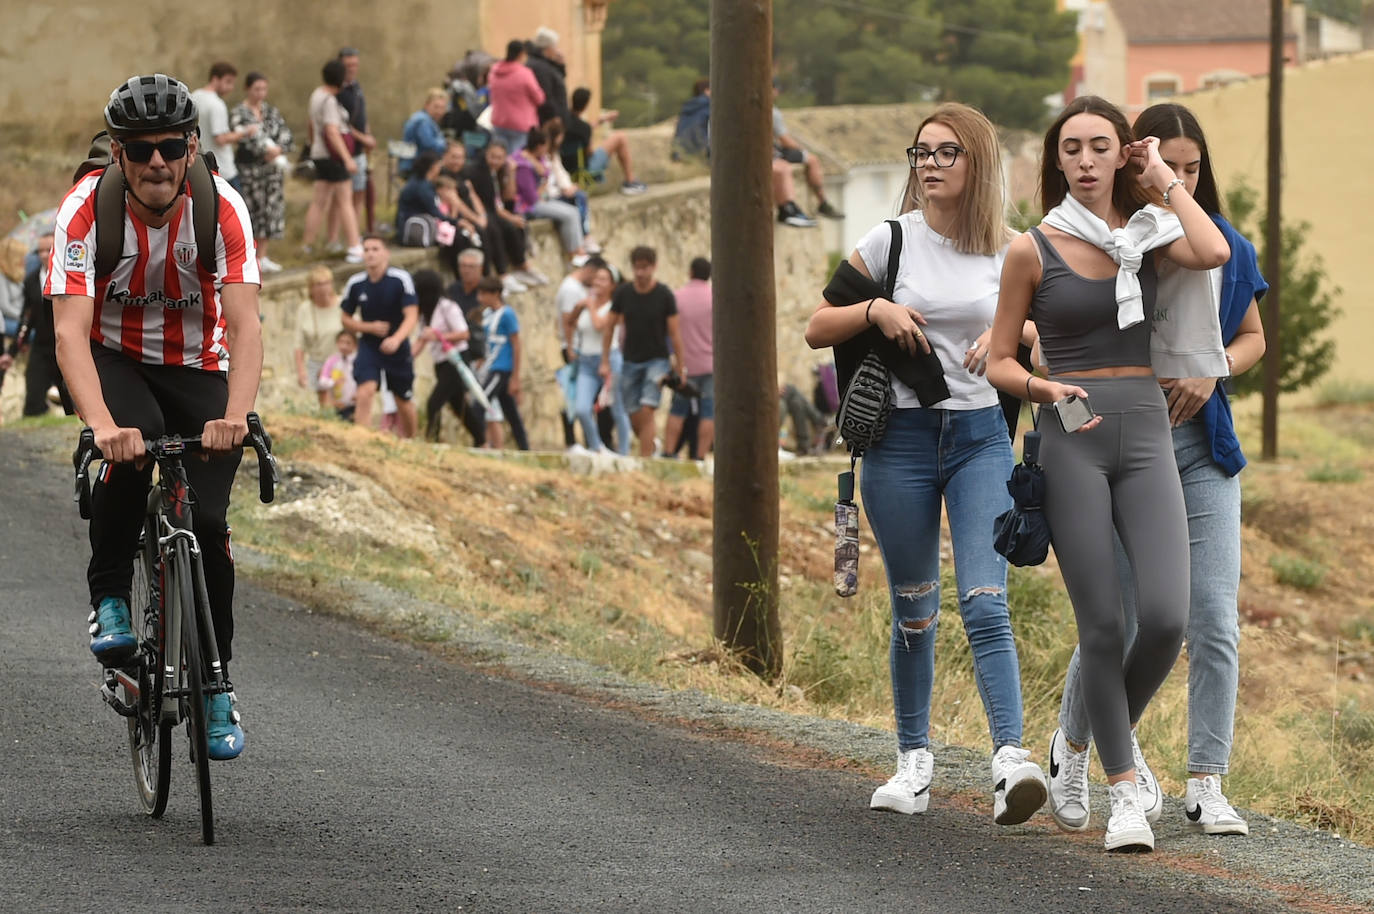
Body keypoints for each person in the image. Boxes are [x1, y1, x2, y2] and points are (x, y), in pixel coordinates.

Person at [985, 95, 1231, 852]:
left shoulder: (1149, 235)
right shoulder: (1033, 247)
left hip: (1149, 432)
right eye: (1072, 148)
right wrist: (1040, 387)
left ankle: (1076, 749)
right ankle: (1123, 792)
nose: (1087, 160)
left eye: (1102, 146)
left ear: (1120, 154)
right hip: (1071, 435)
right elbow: (1000, 359)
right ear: (1056, 162)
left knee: (1165, 617)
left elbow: (1215, 250)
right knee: (1100, 623)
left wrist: (1161, 175)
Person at [804, 103, 1047, 827]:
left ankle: (1011, 762)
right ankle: (914, 764)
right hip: (898, 444)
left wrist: (1016, 331)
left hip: (979, 438)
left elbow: (1052, 336)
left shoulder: (1013, 252)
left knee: (985, 599)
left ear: (977, 163)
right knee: (913, 609)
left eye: (947, 153)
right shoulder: (889, 242)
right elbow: (819, 325)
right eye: (922, 153)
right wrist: (874, 309)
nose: (931, 165)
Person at [1048, 103, 1267, 840]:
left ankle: (1205, 780)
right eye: (1165, 159)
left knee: (1210, 619)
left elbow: (1251, 334)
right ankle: (1083, 750)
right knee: (1115, 622)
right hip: (1122, 442)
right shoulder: (1106, 240)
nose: (1181, 174)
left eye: (1194, 165)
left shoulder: (1215, 237)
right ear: (1133, 157)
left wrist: (1215, 371)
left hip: (1204, 447)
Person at [48, 74, 263, 760]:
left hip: (198, 366)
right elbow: (68, 335)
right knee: (130, 449)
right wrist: (103, 428)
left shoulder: (222, 208)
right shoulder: (85, 213)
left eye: (171, 146)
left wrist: (238, 414)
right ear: (118, 154)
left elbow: (248, 323)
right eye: (140, 150)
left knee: (206, 521)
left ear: (193, 147)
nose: (157, 162)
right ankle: (110, 593)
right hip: (113, 359)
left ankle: (217, 683)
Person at [601, 246, 684, 457]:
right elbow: (609, 327)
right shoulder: (623, 293)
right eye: (637, 268)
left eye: (645, 268)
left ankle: (645, 461)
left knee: (648, 409)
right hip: (630, 360)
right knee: (633, 412)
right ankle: (651, 445)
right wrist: (605, 361)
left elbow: (674, 334)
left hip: (657, 360)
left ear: (653, 267)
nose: (640, 273)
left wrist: (680, 366)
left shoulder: (665, 295)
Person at [339, 235, 419, 437]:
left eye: (375, 249)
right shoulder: (356, 283)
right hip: (369, 345)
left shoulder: (400, 279)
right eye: (366, 250)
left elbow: (411, 315)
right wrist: (368, 327)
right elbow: (345, 318)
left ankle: (411, 442)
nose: (370, 254)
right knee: (365, 390)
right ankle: (361, 439)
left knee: (403, 399)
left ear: (386, 253)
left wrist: (396, 339)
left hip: (397, 346)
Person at [230, 71, 293, 273]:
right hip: (251, 172)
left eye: (264, 89)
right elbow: (243, 138)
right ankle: (250, 257)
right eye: (256, 89)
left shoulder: (271, 112)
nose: (260, 93)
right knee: (251, 212)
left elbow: (286, 135)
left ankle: (263, 256)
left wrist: (278, 150)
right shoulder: (239, 112)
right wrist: (264, 151)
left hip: (273, 172)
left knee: (270, 212)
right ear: (247, 89)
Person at [301, 59, 362, 263]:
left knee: (319, 201)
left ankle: (307, 245)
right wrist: (347, 159)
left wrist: (311, 145)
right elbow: (332, 131)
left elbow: (311, 124)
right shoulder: (329, 101)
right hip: (333, 156)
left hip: (319, 153)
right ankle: (354, 246)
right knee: (345, 199)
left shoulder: (316, 95)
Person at [415, 268, 485, 445]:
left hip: (455, 360)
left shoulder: (447, 307)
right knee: (458, 405)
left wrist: (439, 336)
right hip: (440, 362)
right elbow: (421, 340)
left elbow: (464, 334)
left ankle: (432, 441)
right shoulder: (425, 313)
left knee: (433, 403)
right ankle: (481, 440)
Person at [463, 140, 543, 293]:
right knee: (496, 228)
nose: (495, 161)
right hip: (484, 212)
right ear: (486, 155)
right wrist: (509, 217)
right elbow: (492, 206)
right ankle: (502, 274)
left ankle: (522, 265)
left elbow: (508, 197)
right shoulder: (479, 172)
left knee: (516, 225)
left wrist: (511, 172)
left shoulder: (499, 171)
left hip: (493, 210)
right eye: (492, 157)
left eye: (499, 158)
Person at [9, 230, 73, 416]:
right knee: (33, 399)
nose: (44, 254)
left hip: (66, 344)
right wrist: (14, 349)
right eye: (40, 251)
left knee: (70, 398)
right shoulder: (30, 280)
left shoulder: (69, 277)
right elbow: (27, 317)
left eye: (49, 249)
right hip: (41, 346)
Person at [665, 257, 713, 458]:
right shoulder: (715, 296)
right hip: (712, 364)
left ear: (690, 272)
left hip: (685, 365)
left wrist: (674, 359)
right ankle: (700, 456)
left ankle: (668, 453)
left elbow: (669, 331)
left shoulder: (677, 297)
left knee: (677, 410)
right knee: (709, 412)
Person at [773, 81, 841, 220]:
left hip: (774, 150)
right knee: (812, 160)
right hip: (776, 152)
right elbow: (784, 140)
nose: (777, 93)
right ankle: (822, 202)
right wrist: (800, 149)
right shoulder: (773, 113)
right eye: (776, 89)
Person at [560, 87, 647, 195]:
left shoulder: (562, 121)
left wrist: (601, 120)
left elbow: (581, 129)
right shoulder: (584, 128)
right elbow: (590, 152)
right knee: (621, 137)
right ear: (586, 105)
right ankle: (630, 181)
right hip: (584, 169)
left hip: (566, 168)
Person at [512, 127, 584, 258]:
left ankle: (578, 250)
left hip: (542, 199)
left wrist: (539, 170)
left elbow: (545, 171)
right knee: (571, 214)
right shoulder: (523, 167)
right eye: (545, 146)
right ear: (539, 146)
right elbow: (531, 198)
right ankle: (575, 253)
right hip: (528, 206)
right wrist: (543, 185)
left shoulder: (533, 157)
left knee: (574, 208)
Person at [476, 276, 529, 450]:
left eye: (485, 294)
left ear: (496, 294)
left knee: (480, 402)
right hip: (491, 365)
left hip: (501, 368)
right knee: (510, 411)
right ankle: (524, 448)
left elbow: (516, 344)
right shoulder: (487, 314)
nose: (481, 298)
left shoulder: (507, 314)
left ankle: (480, 442)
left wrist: (515, 376)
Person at [190, 61, 255, 194]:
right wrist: (244, 132)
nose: (230, 87)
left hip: (201, 166)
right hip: (224, 170)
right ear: (215, 79)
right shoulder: (217, 104)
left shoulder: (194, 96)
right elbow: (220, 138)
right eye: (228, 82)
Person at [336, 47, 377, 233]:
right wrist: (363, 138)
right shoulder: (338, 91)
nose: (352, 68)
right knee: (343, 196)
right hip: (346, 150)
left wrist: (367, 136)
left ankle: (357, 231)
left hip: (360, 150)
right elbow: (341, 124)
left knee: (360, 192)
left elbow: (362, 117)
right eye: (348, 65)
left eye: (355, 65)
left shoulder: (356, 87)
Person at [294, 266, 345, 407]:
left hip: (342, 362)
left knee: (344, 402)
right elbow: (299, 343)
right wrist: (301, 371)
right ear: (311, 288)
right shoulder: (305, 309)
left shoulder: (342, 304)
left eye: (327, 283)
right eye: (319, 284)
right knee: (324, 403)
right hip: (317, 363)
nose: (323, 288)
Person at [486, 40, 545, 155]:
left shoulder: (494, 72)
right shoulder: (524, 73)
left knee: (500, 158)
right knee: (517, 160)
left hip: (499, 121)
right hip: (520, 125)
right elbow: (539, 98)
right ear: (521, 54)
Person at [400, 88, 449, 177]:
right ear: (426, 105)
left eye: (442, 108)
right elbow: (430, 146)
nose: (439, 111)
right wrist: (445, 145)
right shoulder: (422, 121)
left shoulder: (428, 120)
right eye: (436, 107)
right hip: (416, 167)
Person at [526, 27, 570, 127]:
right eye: (555, 46)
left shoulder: (545, 63)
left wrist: (560, 64)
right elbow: (546, 96)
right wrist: (555, 117)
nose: (557, 50)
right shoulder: (540, 67)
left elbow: (558, 79)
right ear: (548, 48)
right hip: (550, 122)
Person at [318, 330, 358, 420]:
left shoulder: (357, 361)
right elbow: (322, 380)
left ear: (355, 345)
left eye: (348, 343)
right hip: (337, 405)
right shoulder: (332, 360)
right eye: (341, 342)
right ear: (337, 343)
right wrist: (333, 382)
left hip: (354, 405)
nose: (344, 346)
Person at [671, 78, 710, 160]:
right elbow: (699, 130)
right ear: (707, 90)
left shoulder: (688, 107)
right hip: (699, 152)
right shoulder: (708, 107)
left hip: (680, 152)